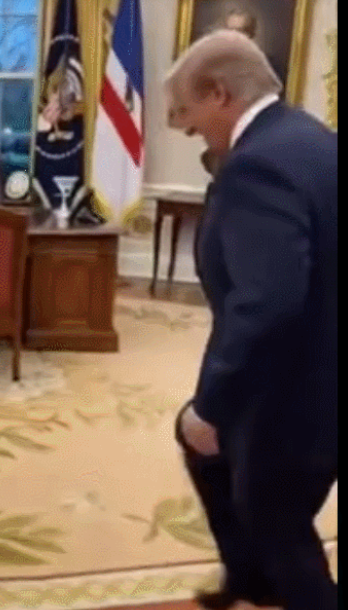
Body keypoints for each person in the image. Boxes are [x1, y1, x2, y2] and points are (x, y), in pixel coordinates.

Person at [164, 30, 337, 610]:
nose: (186, 129)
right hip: (320, 365)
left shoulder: (256, 166)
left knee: (282, 533)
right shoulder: (314, 139)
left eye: (187, 112)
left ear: (218, 93)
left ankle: (268, 580)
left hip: (296, 390)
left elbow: (267, 301)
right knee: (207, 452)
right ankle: (250, 579)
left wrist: (213, 404)